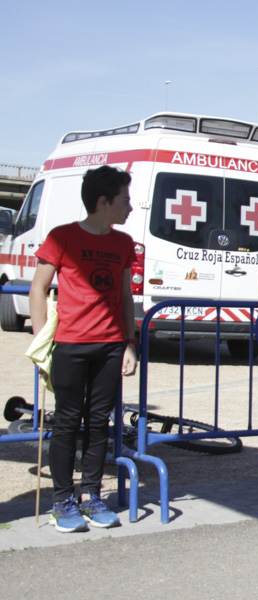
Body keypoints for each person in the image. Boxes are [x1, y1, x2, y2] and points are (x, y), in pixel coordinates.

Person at [29, 166, 138, 533]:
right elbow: (38, 290)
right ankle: (63, 500)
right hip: (71, 345)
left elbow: (125, 297)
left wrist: (129, 343)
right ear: (102, 202)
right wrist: (42, 341)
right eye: (125, 200)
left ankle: (92, 495)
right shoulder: (61, 237)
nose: (130, 207)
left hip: (109, 346)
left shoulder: (124, 243)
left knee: (98, 423)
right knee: (66, 422)